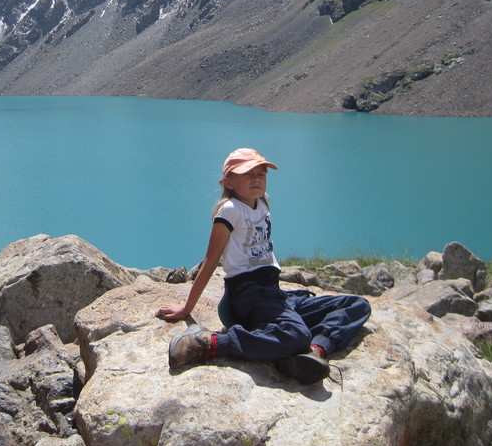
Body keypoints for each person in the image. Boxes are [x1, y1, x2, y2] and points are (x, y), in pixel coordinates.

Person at [155, 148, 371, 384]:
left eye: (261, 173)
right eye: (248, 174)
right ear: (228, 182)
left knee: (357, 305)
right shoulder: (230, 210)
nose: (256, 178)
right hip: (247, 297)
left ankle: (314, 352)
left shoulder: (262, 202)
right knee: (297, 334)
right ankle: (209, 343)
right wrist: (187, 308)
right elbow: (210, 261)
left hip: (274, 295)